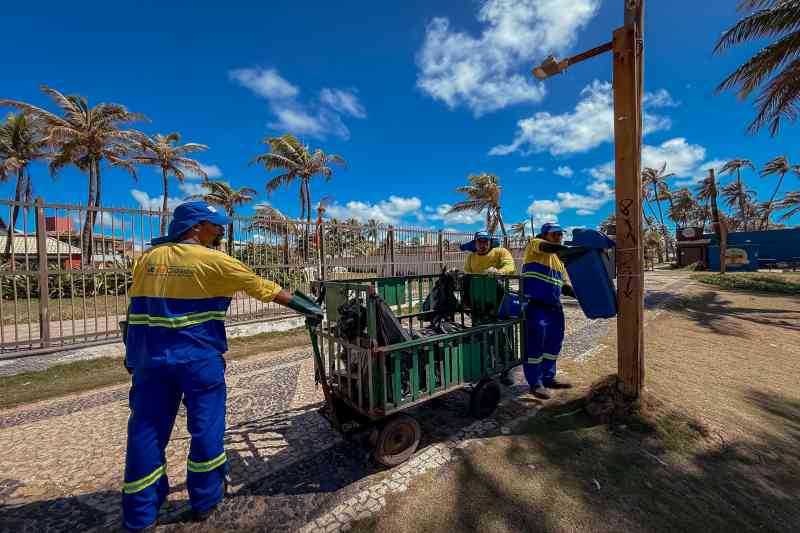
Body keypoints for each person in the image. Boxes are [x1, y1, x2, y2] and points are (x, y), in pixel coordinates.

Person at [121, 201, 321, 531]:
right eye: (215, 225)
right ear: (195, 227)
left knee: (146, 432)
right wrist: (311, 309)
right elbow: (265, 289)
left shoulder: (148, 260)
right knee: (206, 429)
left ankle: (140, 515)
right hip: (198, 359)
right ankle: (206, 498)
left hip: (150, 362)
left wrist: (131, 355)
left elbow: (135, 310)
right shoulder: (216, 262)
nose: (221, 230)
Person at [521, 222, 576, 400]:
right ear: (544, 235)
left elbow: (563, 286)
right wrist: (566, 248)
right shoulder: (535, 245)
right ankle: (535, 383)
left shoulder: (558, 261)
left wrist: (580, 295)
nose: (559, 237)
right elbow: (546, 246)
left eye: (560, 234)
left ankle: (549, 378)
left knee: (553, 344)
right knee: (535, 345)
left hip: (554, 308)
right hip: (536, 306)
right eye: (555, 235)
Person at [461, 230, 516, 385]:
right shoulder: (471, 257)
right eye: (480, 241)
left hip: (498, 303)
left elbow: (510, 266)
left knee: (501, 336)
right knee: (480, 335)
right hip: (478, 305)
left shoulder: (500, 252)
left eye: (486, 241)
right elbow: (467, 277)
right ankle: (484, 369)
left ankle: (507, 368)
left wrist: (498, 272)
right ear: (475, 243)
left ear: (491, 242)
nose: (483, 244)